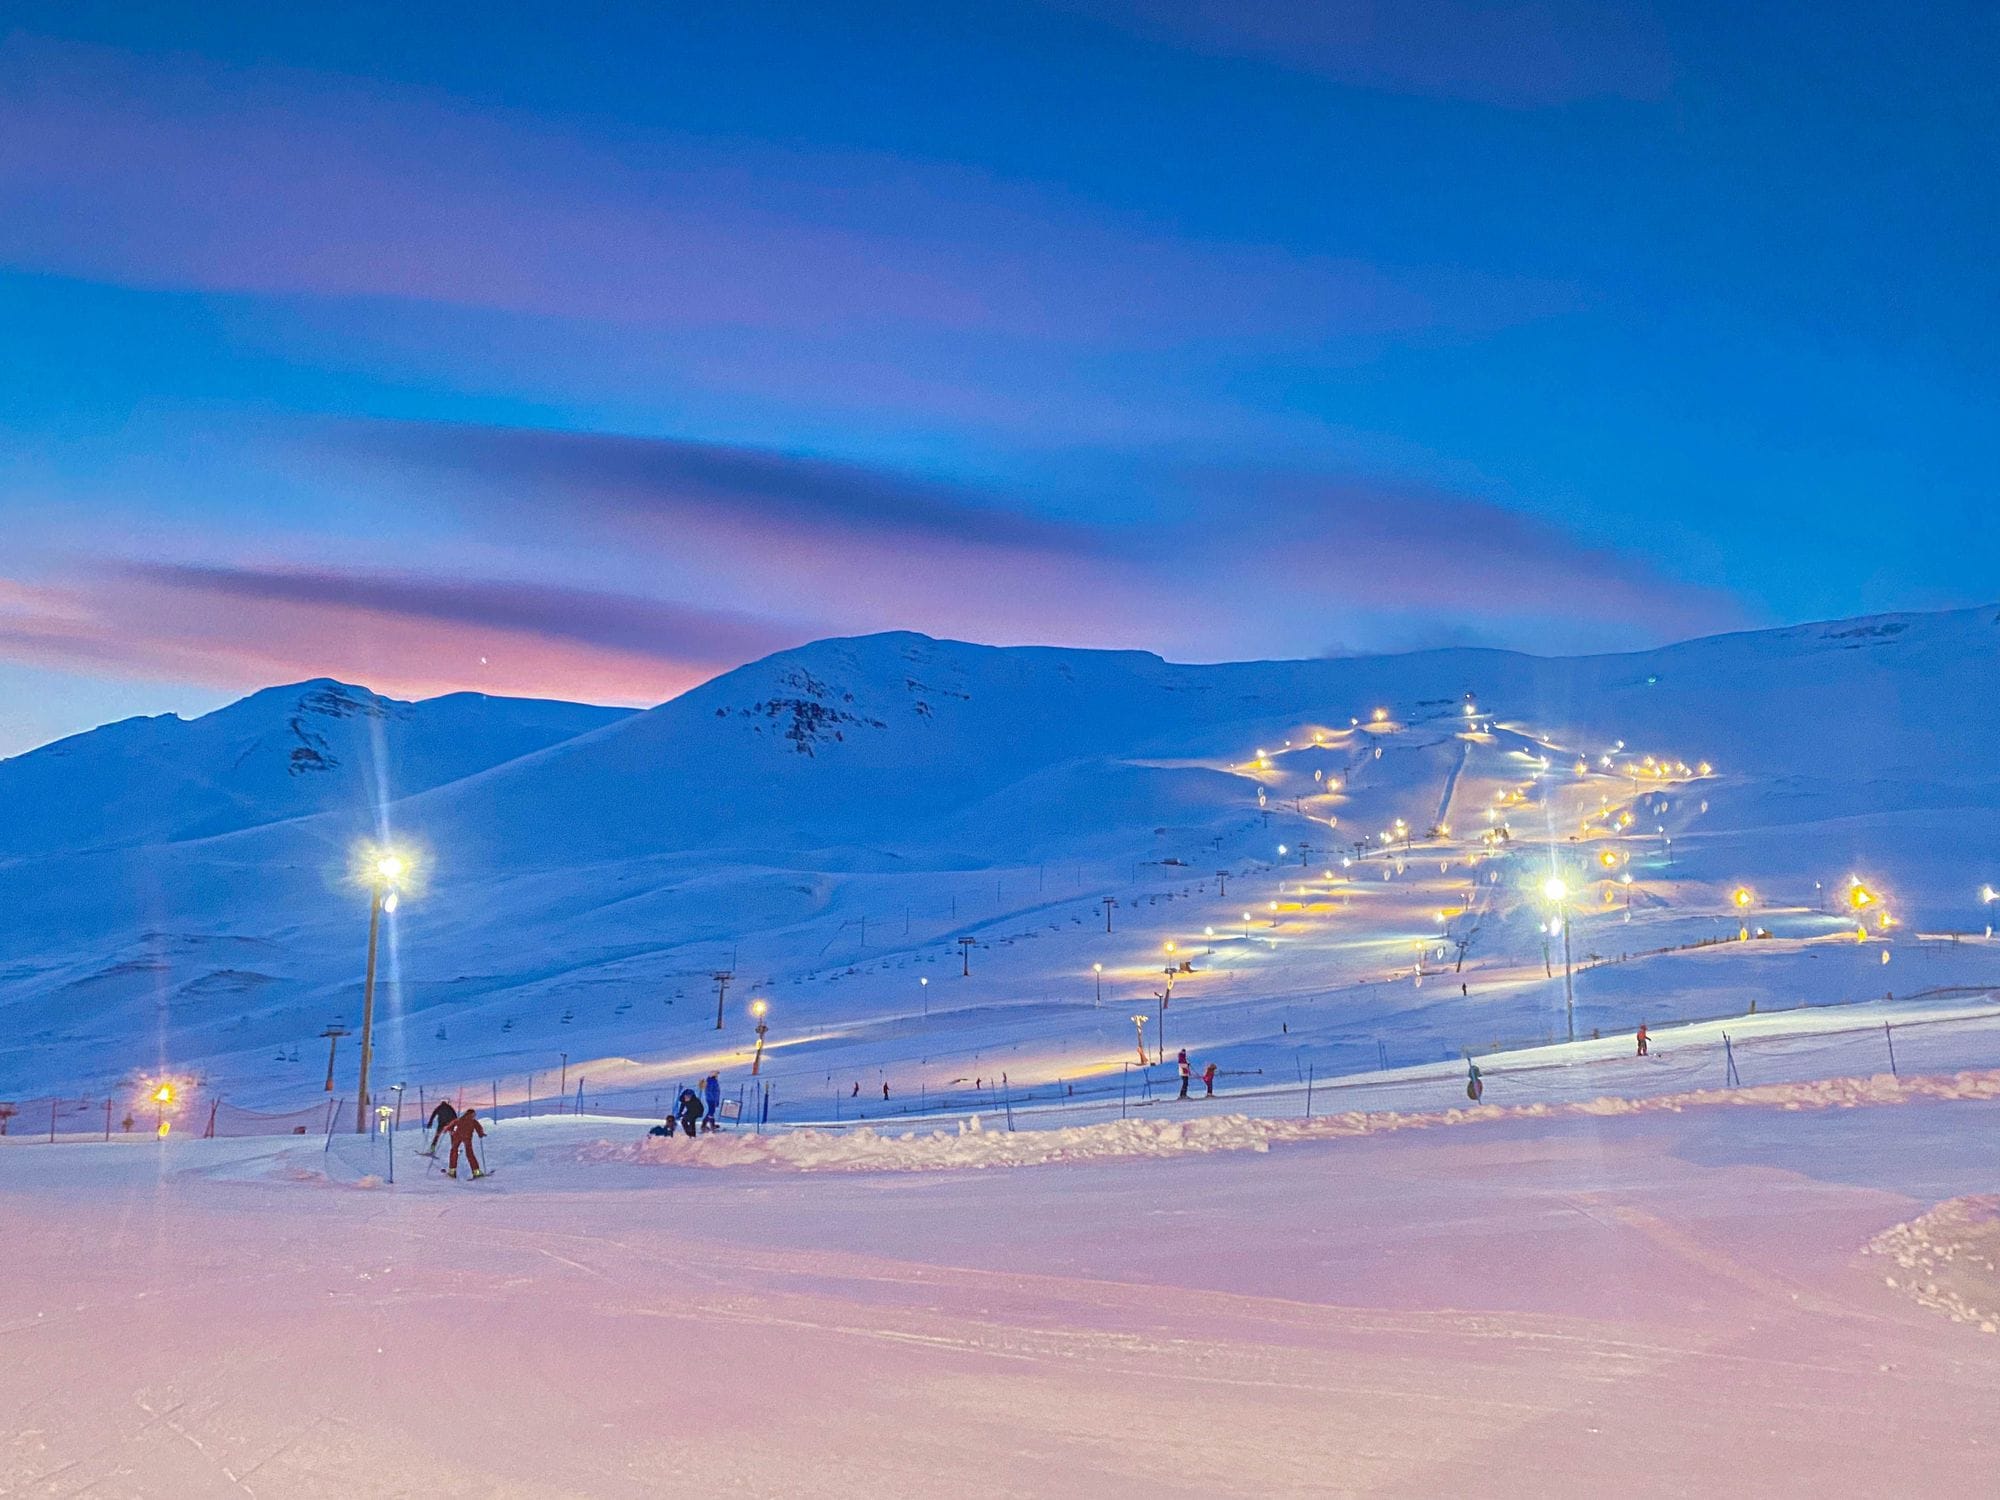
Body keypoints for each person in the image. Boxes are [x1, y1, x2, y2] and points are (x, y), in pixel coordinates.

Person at [445, 1106, 485, 1178]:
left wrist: (449, 1130)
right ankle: (476, 1172)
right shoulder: (473, 1121)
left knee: (454, 1151)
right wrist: (481, 1134)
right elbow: (479, 1127)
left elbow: (451, 1125)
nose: (474, 1116)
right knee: (469, 1153)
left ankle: (452, 1171)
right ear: (471, 1114)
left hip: (457, 1136)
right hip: (467, 1137)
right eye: (473, 1114)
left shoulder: (460, 1119)